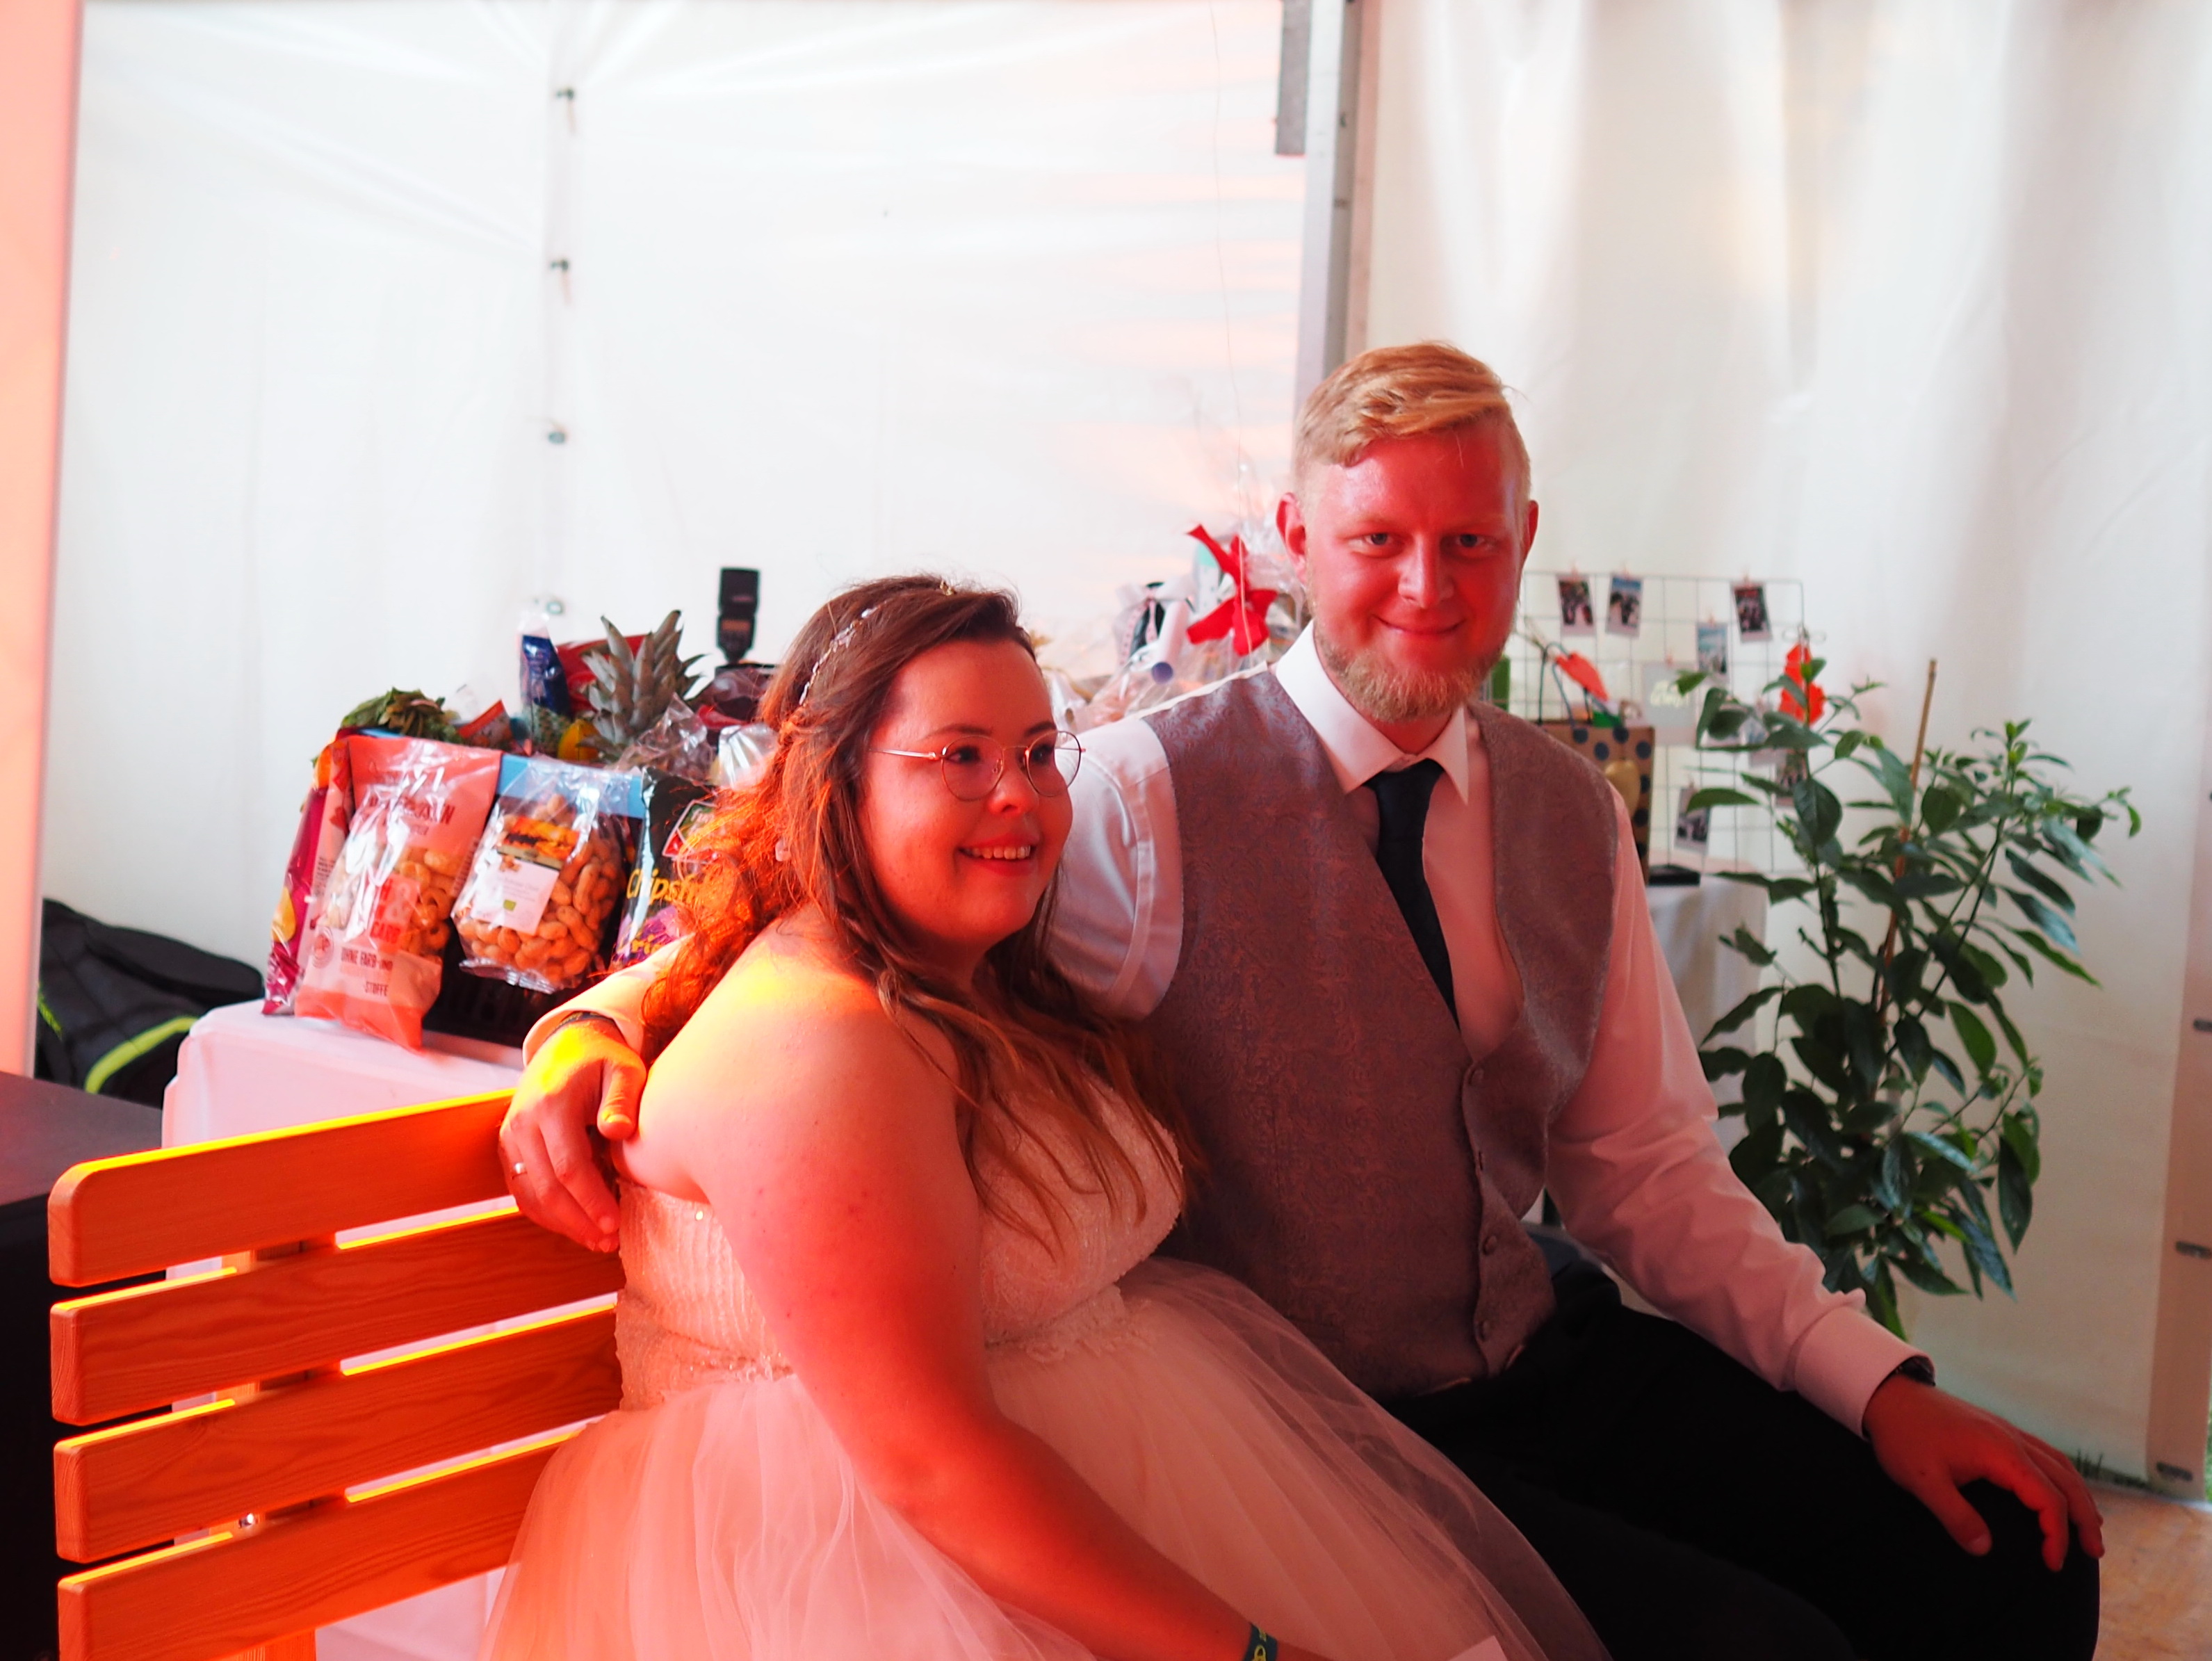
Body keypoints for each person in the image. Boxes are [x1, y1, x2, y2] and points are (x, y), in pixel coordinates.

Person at [507, 346, 2104, 1661]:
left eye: (1468, 542)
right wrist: (597, 1021)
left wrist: (1876, 1386)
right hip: (1320, 1420)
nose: (1427, 584)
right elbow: (854, 908)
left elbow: (1650, 1168)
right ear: (1294, 539)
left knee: (2006, 1565)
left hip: (1542, 1353)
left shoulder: (1567, 808)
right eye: (1378, 539)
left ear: (1523, 543)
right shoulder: (1126, 796)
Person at [482, 576, 1606, 1661]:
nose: (1019, 795)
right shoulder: (818, 1043)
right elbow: (931, 1468)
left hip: (1101, 1498)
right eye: (960, 756)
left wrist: (581, 1021)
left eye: (1034, 751)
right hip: (867, 1573)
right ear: (833, 782)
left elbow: (690, 968)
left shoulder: (960, 958)